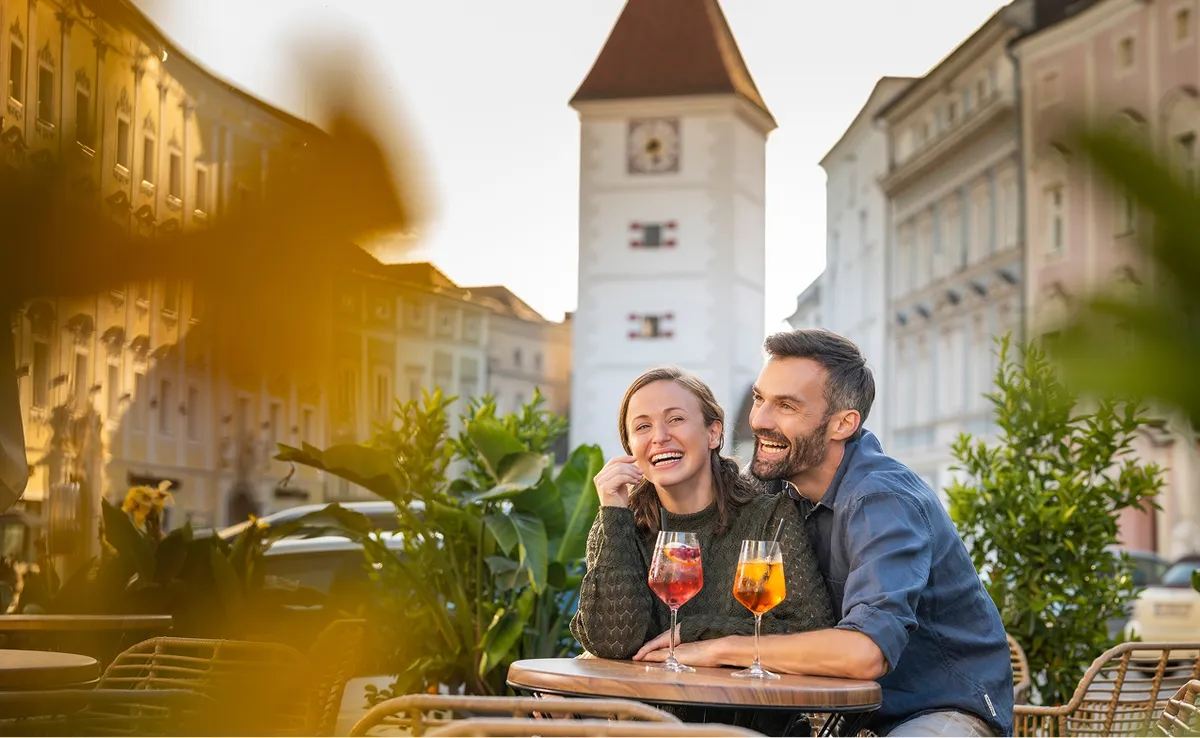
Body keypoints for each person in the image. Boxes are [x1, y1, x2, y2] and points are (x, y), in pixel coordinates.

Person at [635, 331, 1014, 738]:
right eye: (760, 399)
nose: (760, 419)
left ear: (842, 424)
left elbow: (867, 652)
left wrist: (723, 647)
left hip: (941, 711)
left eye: (786, 406)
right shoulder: (776, 489)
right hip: (845, 718)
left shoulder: (882, 500)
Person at [570, 366, 834, 663]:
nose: (659, 436)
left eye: (676, 419)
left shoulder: (770, 518)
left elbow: (810, 630)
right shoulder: (617, 523)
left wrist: (695, 630)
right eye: (642, 427)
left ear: (713, 432)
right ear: (631, 447)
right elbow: (612, 644)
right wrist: (614, 515)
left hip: (742, 705)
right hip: (644, 708)